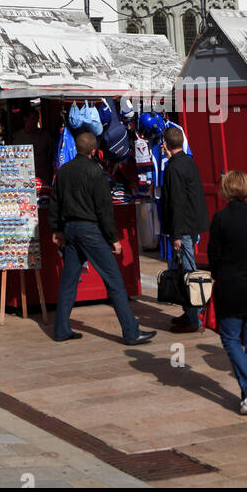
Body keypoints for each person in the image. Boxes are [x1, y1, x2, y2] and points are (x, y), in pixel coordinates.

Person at [49, 130, 156, 345]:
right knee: (114, 280)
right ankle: (131, 332)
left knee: (69, 281)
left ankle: (61, 329)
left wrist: (56, 229)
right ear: (93, 151)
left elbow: (55, 202)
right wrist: (113, 238)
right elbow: (104, 210)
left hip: (70, 229)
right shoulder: (96, 172)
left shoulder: (64, 171)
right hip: (89, 230)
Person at [208, 170, 247, 415]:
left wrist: (217, 274)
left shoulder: (221, 218)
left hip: (232, 286)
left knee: (230, 339)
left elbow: (214, 255)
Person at [161, 125, 210, 332]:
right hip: (192, 225)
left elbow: (177, 203)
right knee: (184, 270)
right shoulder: (189, 162)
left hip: (183, 227)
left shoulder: (173, 168)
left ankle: (194, 319)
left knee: (189, 272)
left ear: (166, 145)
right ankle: (189, 313)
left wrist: (177, 234)